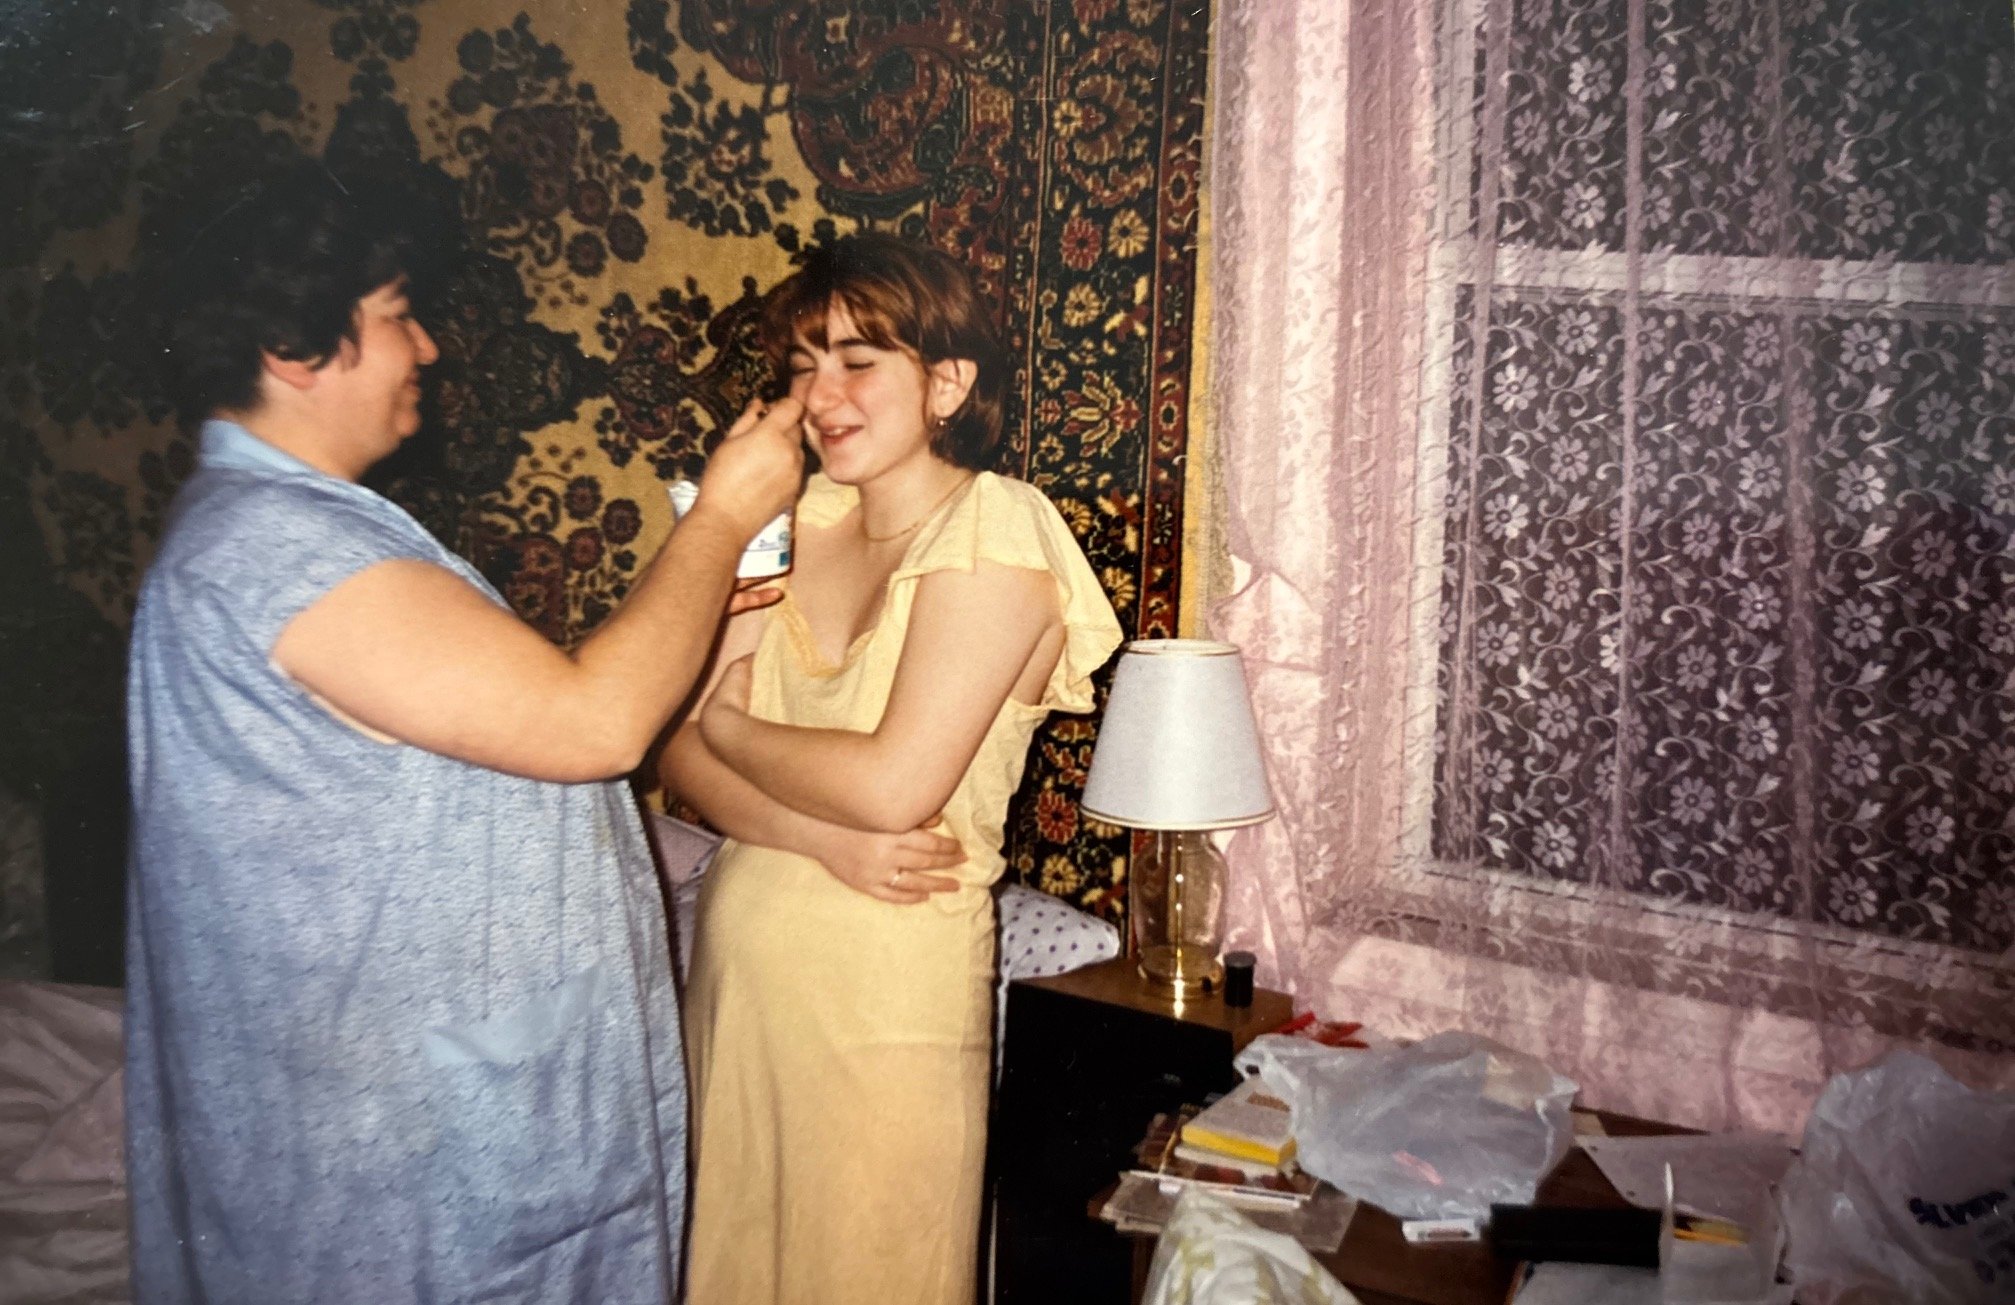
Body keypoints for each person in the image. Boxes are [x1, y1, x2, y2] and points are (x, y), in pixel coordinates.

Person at [123, 162, 802, 1302]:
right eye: (396, 318)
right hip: (410, 1171)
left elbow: (528, 723)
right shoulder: (282, 551)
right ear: (295, 351)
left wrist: (690, 613)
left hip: (427, 1122)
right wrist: (725, 516)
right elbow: (594, 724)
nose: (426, 348)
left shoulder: (292, 534)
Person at [659, 232, 1124, 1303]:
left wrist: (734, 733)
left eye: (857, 360)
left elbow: (893, 786)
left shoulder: (998, 528)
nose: (820, 395)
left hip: (884, 1002)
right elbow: (674, 745)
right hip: (739, 985)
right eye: (799, 366)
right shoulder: (783, 525)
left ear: (947, 382)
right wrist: (816, 832)